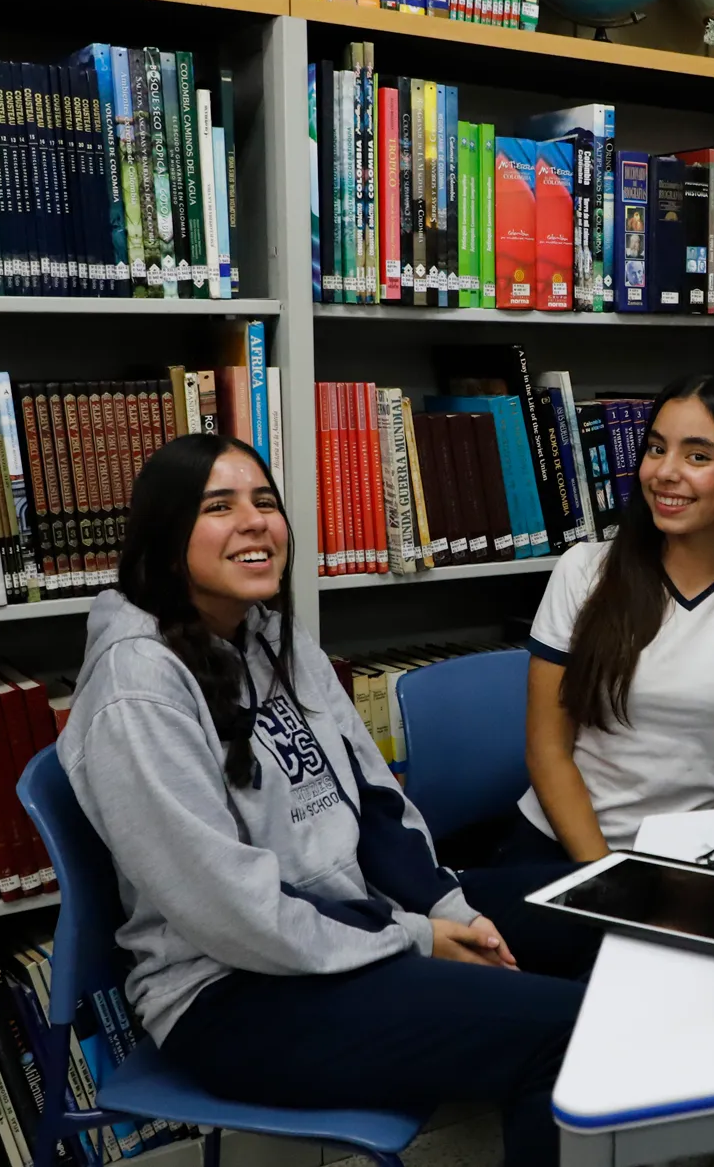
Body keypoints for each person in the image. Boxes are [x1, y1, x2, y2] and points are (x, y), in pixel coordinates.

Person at [56, 434, 582, 1167]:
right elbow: (231, 910)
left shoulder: (270, 633)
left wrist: (447, 912)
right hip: (233, 992)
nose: (254, 521)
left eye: (265, 501)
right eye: (219, 506)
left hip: (347, 928)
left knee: (606, 909)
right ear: (167, 538)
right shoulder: (137, 687)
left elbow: (370, 797)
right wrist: (415, 939)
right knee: (564, 1032)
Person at [504, 373, 714, 865]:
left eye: (698, 456)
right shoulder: (585, 570)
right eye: (656, 449)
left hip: (694, 860)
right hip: (566, 850)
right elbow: (547, 754)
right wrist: (605, 876)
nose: (665, 472)